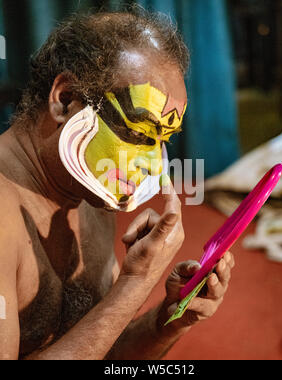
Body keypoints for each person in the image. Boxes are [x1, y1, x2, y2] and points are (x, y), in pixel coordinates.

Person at [0, 9, 235, 360]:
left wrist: (166, 320)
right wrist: (135, 284)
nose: (154, 166)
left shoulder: (88, 196)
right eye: (139, 133)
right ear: (65, 99)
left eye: (162, 140)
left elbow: (101, 352)